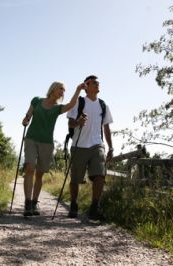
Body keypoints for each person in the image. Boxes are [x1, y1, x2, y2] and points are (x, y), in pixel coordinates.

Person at [21, 81, 86, 216]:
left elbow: (71, 105)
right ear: (53, 89)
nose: (62, 92)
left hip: (47, 143)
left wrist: (78, 90)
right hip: (31, 138)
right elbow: (28, 115)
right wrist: (25, 119)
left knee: (39, 174)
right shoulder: (37, 100)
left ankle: (34, 202)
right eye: (60, 89)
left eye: (63, 90)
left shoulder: (58, 108)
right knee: (30, 168)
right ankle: (27, 204)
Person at [66, 75, 113, 220]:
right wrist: (79, 121)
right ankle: (73, 204)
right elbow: (70, 124)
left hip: (97, 144)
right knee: (75, 179)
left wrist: (110, 147)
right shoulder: (78, 102)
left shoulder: (103, 105)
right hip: (79, 145)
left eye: (98, 83)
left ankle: (94, 207)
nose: (97, 85)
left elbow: (106, 128)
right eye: (94, 83)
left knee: (100, 175)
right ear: (86, 86)